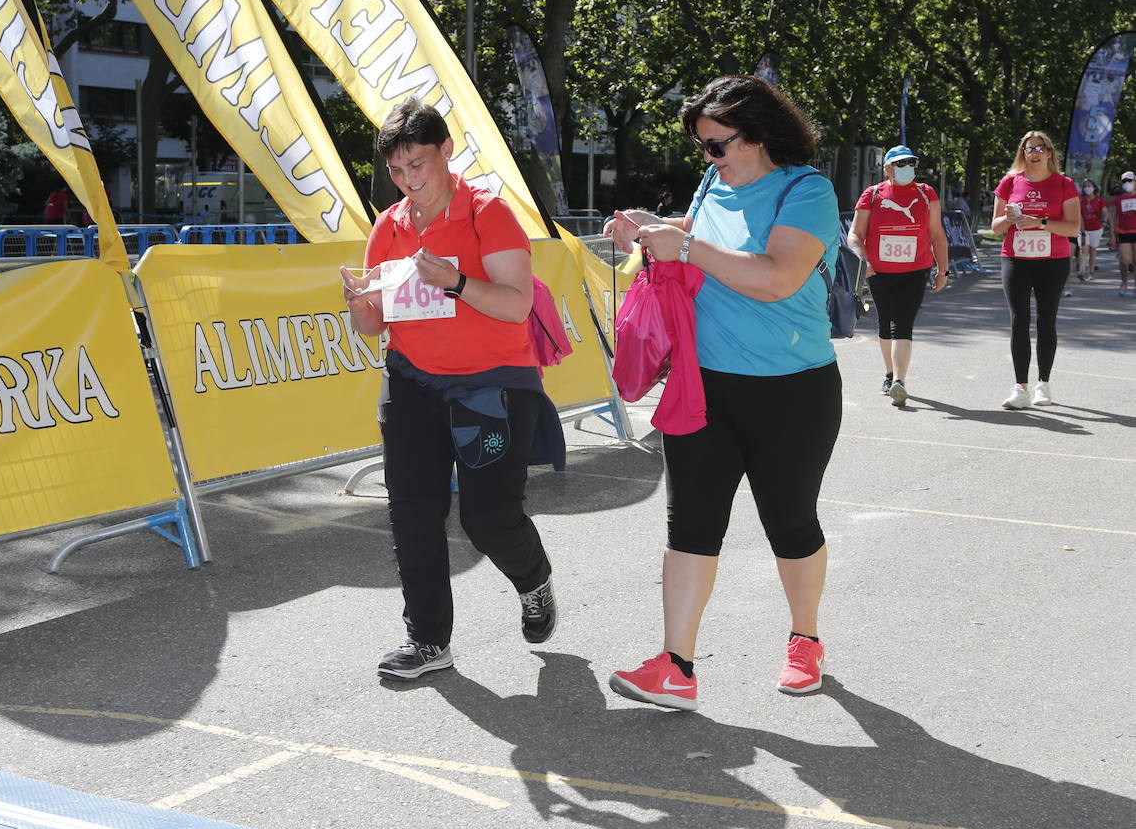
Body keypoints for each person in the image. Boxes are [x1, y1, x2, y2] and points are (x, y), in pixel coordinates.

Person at [601, 75, 841, 710]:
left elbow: (776, 278)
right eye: (703, 147)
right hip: (702, 385)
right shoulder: (713, 185)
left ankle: (805, 638)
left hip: (793, 391)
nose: (709, 159)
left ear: (758, 135)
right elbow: (702, 237)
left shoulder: (806, 190)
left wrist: (688, 246)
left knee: (789, 521)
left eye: (718, 145)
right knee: (690, 524)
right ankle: (676, 666)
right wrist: (650, 229)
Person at [339, 98, 562, 681]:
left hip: (491, 386)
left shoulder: (488, 212)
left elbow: (517, 306)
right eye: (398, 170)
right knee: (412, 514)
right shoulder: (388, 226)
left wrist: (456, 281)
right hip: (411, 383)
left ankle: (533, 578)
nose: (410, 180)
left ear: (446, 153)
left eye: (419, 165)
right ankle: (427, 641)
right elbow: (374, 324)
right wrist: (360, 306)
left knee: (487, 520)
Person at [846, 144, 949, 407]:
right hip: (879, 271)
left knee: (902, 323)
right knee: (885, 324)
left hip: (915, 270)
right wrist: (863, 260)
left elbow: (937, 235)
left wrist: (943, 269)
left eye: (911, 163)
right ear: (888, 168)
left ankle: (899, 382)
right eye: (900, 164)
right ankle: (890, 373)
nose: (907, 169)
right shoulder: (873, 194)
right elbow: (855, 234)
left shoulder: (926, 194)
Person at [990, 131, 1081, 409]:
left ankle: (1044, 384)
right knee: (1019, 320)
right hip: (1016, 258)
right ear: (1023, 153)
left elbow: (1073, 228)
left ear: (1050, 153)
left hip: (1052, 260)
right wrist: (1009, 220)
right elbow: (995, 228)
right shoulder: (1010, 182)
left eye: (1041, 148)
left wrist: (1039, 222)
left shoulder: (1064, 184)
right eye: (1029, 149)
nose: (1035, 153)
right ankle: (1020, 388)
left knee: (1046, 320)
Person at [1077, 178, 1107, 282]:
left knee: (1093, 249)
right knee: (1084, 249)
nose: (1087, 188)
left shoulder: (1100, 200)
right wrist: (1082, 230)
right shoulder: (1080, 200)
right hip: (1082, 229)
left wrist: (1104, 220)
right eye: (1085, 186)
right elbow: (1078, 214)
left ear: (1094, 187)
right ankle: (1081, 271)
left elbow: (1104, 212)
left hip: (1096, 229)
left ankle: (1091, 272)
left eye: (1089, 186)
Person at [1112, 170, 1136, 296]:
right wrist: (1112, 234)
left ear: (1135, 182)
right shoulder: (1118, 199)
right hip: (1123, 231)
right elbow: (1113, 216)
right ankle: (1124, 282)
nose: (1127, 183)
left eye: (1129, 180)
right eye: (1124, 181)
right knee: (1124, 260)